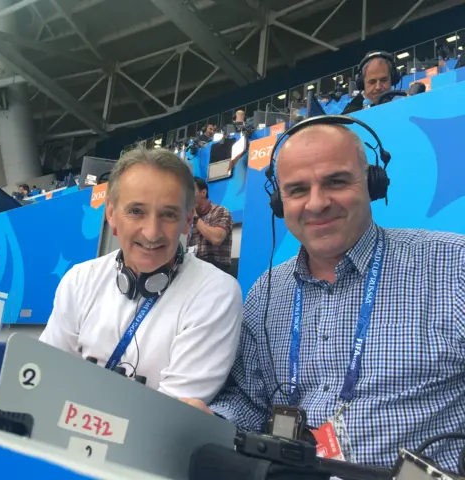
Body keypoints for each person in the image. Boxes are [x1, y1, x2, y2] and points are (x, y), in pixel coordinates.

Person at [181, 122, 465, 470]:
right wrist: (210, 419)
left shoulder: (454, 267)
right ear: (279, 202)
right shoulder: (266, 292)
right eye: (298, 189)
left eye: (336, 181)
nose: (317, 203)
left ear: (372, 182)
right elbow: (248, 402)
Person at [40, 148, 243, 403]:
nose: (151, 232)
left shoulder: (216, 293)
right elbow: (44, 379)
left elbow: (170, 417)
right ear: (111, 214)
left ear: (187, 219)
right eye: (136, 211)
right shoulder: (79, 279)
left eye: (168, 214)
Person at [188, 177, 233, 273]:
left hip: (216, 270)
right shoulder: (187, 217)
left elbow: (217, 239)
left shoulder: (220, 211)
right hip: (192, 268)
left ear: (203, 193)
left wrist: (196, 218)